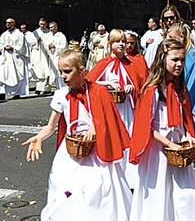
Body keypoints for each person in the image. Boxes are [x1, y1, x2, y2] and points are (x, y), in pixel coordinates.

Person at [22, 49, 132, 220]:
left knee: (96, 189)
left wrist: (95, 127)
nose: (63, 76)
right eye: (60, 72)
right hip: (71, 151)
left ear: (82, 70)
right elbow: (51, 126)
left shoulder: (97, 91)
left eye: (67, 71)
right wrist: (39, 137)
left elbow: (108, 118)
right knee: (67, 187)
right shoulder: (61, 95)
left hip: (96, 151)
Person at [128, 39, 195, 221]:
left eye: (182, 60)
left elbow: (185, 119)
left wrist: (189, 136)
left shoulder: (180, 89)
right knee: (160, 190)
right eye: (174, 60)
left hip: (179, 148)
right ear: (162, 59)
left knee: (185, 191)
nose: (179, 64)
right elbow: (146, 128)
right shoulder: (153, 90)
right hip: (159, 151)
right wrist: (170, 144)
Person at [86, 29, 147, 190]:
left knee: (128, 137)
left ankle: (130, 177)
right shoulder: (103, 63)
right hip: (110, 109)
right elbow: (89, 83)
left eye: (123, 41)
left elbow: (140, 85)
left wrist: (131, 87)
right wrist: (108, 84)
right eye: (117, 41)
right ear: (110, 44)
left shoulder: (131, 63)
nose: (121, 44)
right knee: (112, 138)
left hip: (127, 108)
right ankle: (111, 176)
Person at [0, 18, 28, 100]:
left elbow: (22, 46)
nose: (8, 24)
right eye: (7, 23)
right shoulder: (4, 35)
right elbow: (1, 45)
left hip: (16, 58)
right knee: (3, 75)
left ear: (14, 24)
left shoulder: (19, 34)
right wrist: (4, 47)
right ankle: (2, 93)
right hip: (5, 57)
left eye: (10, 23)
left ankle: (17, 93)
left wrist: (13, 47)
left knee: (16, 75)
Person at [31, 17, 52, 94]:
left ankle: (46, 88)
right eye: (41, 24)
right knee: (38, 70)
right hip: (37, 53)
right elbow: (30, 43)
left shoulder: (49, 32)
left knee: (46, 70)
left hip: (46, 54)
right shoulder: (35, 33)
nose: (42, 26)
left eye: (44, 24)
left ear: (46, 24)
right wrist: (37, 41)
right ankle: (38, 88)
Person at [48, 21, 68, 89]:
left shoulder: (61, 36)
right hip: (52, 57)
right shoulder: (49, 36)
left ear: (56, 27)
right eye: (50, 27)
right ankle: (57, 87)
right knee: (55, 73)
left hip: (59, 57)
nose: (51, 29)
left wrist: (55, 46)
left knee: (59, 73)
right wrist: (48, 46)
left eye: (52, 27)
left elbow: (64, 46)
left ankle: (62, 87)